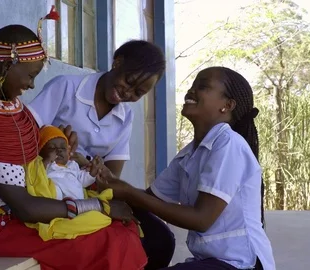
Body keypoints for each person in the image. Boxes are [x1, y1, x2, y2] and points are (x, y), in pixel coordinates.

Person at [0, 19, 147, 270]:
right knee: (112, 241)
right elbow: (27, 209)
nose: (31, 85)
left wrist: (59, 145)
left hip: (22, 214)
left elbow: (29, 142)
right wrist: (100, 206)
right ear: (8, 65)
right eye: (31, 75)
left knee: (120, 229)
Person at [96, 66, 276, 270]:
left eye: (203, 86)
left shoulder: (229, 144)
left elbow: (201, 219)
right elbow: (149, 200)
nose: (191, 90)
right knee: (148, 225)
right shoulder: (190, 153)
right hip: (209, 262)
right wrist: (108, 181)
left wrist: (127, 192)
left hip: (240, 264)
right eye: (192, 85)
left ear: (227, 105)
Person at [27, 39, 176, 269]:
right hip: (53, 188)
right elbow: (24, 133)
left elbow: (111, 177)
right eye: (128, 81)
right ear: (117, 63)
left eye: (138, 92)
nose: (127, 93)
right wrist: (56, 138)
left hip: (91, 189)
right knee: (113, 241)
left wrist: (98, 171)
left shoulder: (125, 117)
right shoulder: (66, 87)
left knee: (159, 238)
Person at [38, 125, 103, 200]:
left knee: (80, 194)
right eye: (52, 148)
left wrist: (93, 171)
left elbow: (83, 181)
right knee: (53, 191)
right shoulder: (44, 164)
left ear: (68, 152)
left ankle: (74, 206)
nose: (59, 150)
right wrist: (46, 161)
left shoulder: (72, 165)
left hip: (76, 199)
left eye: (63, 148)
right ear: (41, 153)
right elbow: (38, 175)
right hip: (55, 196)